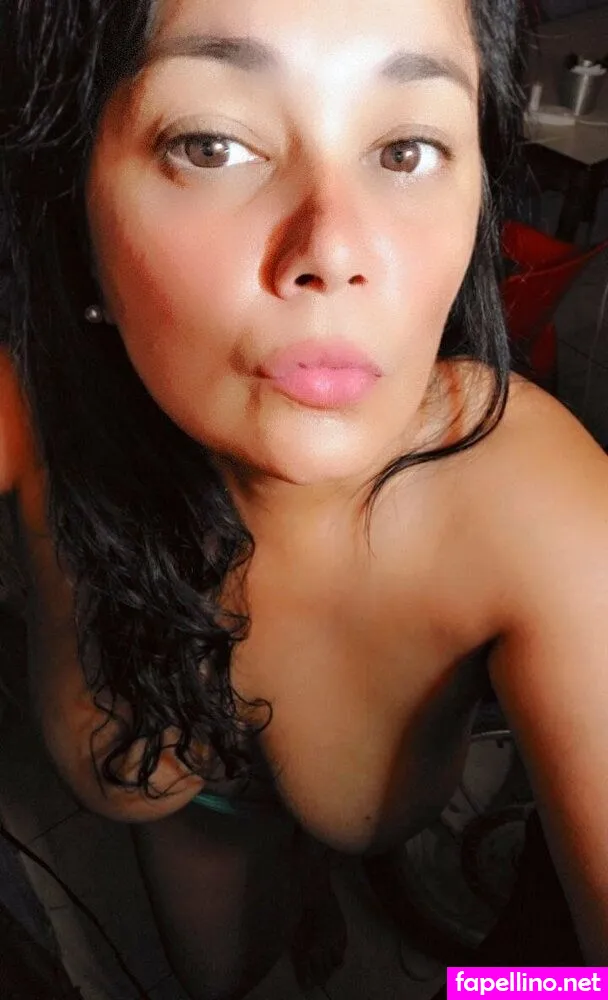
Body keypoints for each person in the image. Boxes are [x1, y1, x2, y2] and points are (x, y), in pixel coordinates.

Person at [1, 0, 607, 997]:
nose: (334, 248)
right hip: (195, 833)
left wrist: (491, 991)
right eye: (210, 144)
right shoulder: (36, 404)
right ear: (73, 204)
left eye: (406, 150)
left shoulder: (534, 503)